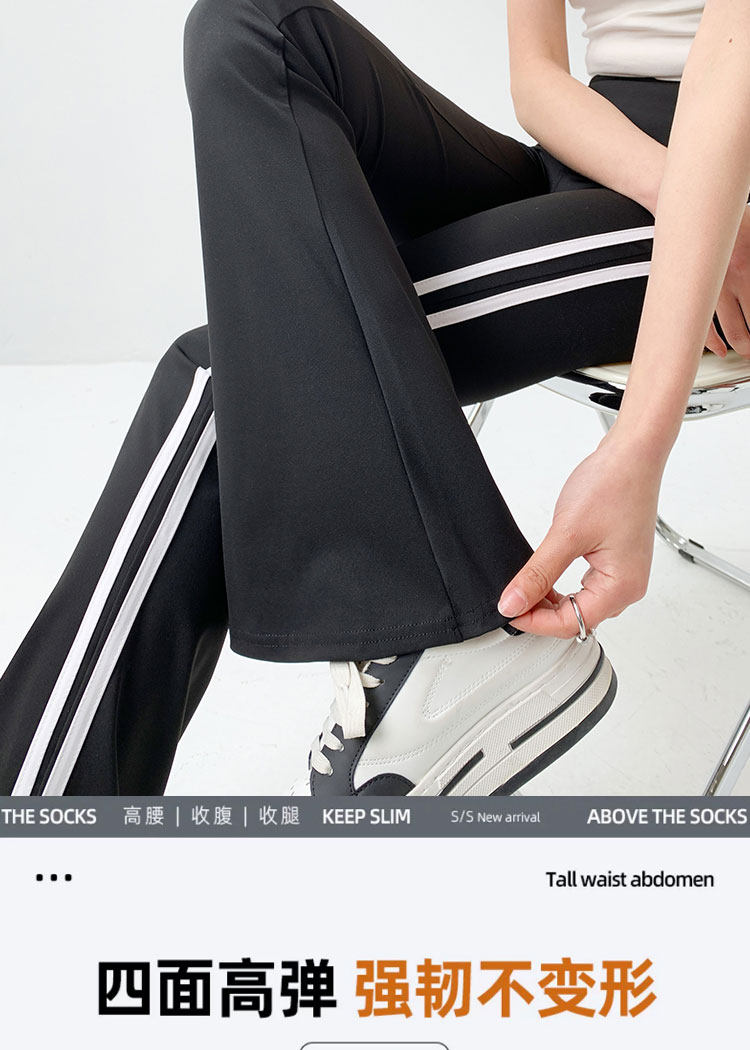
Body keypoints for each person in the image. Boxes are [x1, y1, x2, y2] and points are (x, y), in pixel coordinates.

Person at [0, 0, 747, 797]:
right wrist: (656, 181)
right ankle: (440, 622)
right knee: (248, 27)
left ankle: (38, 813)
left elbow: (729, 61)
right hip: (604, 159)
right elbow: (537, 79)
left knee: (220, 381)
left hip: (722, 184)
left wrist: (638, 443)